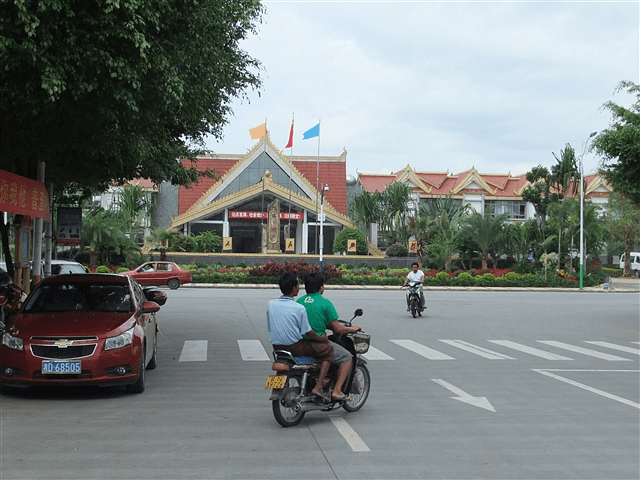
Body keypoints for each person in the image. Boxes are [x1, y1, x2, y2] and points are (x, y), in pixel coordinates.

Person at [267, 272, 333, 399]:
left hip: (277, 347)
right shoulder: (298, 307)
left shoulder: (271, 304)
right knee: (328, 350)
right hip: (294, 347)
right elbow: (307, 332)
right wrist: (321, 339)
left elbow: (271, 326)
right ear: (294, 288)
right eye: (298, 284)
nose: (299, 287)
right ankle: (318, 387)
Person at [298, 272, 361, 402]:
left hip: (300, 343)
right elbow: (338, 328)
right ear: (321, 287)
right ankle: (337, 391)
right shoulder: (325, 303)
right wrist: (352, 329)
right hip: (317, 343)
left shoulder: (299, 302)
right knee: (347, 357)